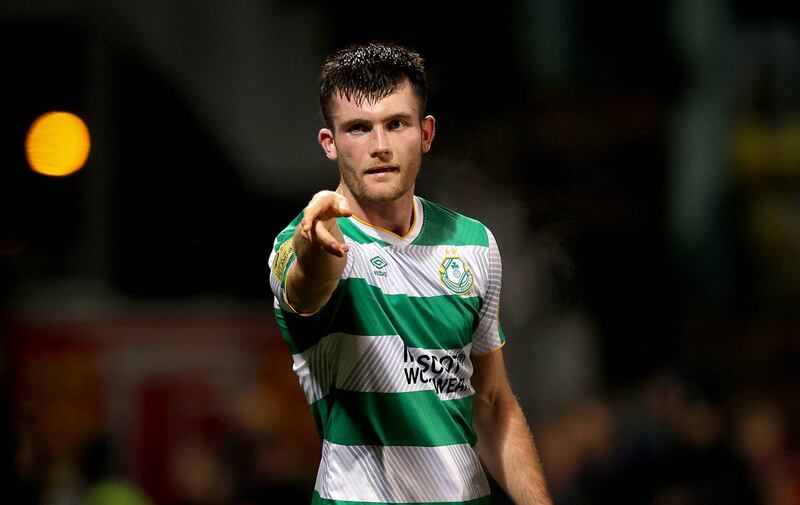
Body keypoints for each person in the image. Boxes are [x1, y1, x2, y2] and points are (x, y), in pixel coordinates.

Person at [268, 41, 553, 505]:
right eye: (358, 128)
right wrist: (313, 245)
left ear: (425, 133)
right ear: (330, 142)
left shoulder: (474, 243)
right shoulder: (301, 243)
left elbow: (492, 403)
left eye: (395, 124)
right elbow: (306, 289)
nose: (379, 147)